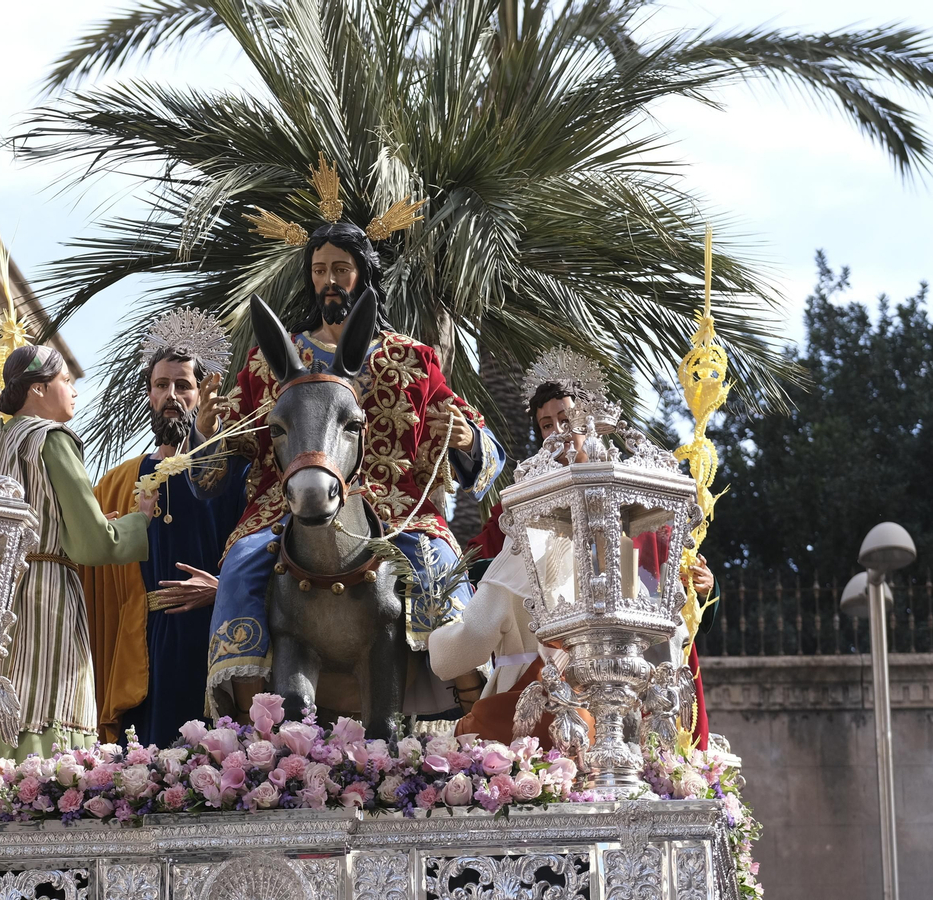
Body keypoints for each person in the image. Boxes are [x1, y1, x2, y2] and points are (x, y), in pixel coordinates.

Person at [192, 164, 506, 718]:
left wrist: (466, 438)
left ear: (363, 274)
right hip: (285, 509)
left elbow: (474, 437)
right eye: (319, 271)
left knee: (434, 562)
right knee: (242, 563)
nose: (330, 281)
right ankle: (246, 709)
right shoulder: (270, 361)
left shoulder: (411, 357)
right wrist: (207, 434)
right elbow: (219, 462)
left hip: (396, 508)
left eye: (342, 268)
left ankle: (464, 698)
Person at [432, 353, 716, 743]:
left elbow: (667, 607)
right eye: (546, 425)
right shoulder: (520, 514)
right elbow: (483, 574)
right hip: (544, 695)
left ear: (592, 423)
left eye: (567, 421)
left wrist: (704, 588)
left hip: (606, 698)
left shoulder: (632, 510)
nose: (557, 434)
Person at [80, 311, 250, 746]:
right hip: (145, 645)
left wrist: (223, 589)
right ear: (149, 394)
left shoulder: (236, 472)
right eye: (161, 385)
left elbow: (266, 547)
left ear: (203, 392)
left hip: (218, 635)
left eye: (183, 385)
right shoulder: (116, 483)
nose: (171, 395)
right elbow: (87, 565)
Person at [0, 344, 156, 760]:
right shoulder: (51, 438)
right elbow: (91, 543)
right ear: (38, 389)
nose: (74, 390)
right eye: (65, 381)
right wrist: (138, 521)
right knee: (47, 699)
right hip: (45, 592)